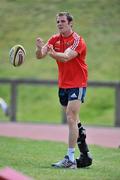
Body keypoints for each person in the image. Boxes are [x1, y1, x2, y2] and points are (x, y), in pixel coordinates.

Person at [36, 12, 92, 169]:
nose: (59, 24)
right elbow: (40, 55)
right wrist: (39, 48)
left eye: (62, 21)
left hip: (77, 83)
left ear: (70, 23)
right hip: (63, 85)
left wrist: (52, 53)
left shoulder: (77, 40)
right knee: (75, 121)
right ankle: (86, 155)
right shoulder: (54, 39)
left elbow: (66, 57)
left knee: (71, 117)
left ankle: (70, 159)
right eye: (57, 22)